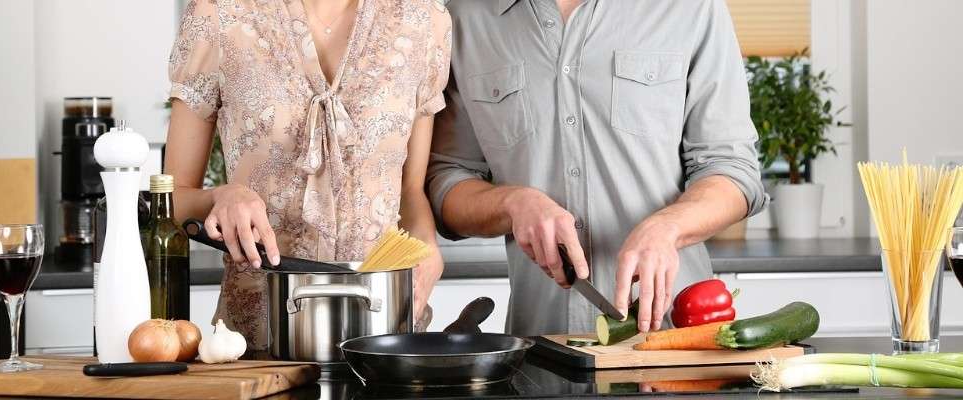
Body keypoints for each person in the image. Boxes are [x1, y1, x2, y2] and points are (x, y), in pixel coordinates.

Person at [427, 0, 768, 336]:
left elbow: (732, 170)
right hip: (542, 345)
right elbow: (446, 179)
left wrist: (669, 227)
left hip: (677, 337)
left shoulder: (692, 8)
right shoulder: (464, 16)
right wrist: (513, 204)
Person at [164, 0, 451, 348]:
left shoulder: (424, 20)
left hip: (384, 331)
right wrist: (220, 196)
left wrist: (428, 246)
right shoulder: (218, 14)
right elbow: (170, 198)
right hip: (260, 334)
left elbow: (411, 191)